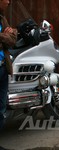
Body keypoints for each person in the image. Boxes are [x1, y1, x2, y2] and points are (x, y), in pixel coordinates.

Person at [0, 0, 17, 129]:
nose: (8, 2)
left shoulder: (2, 17)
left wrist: (5, 36)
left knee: (1, 107)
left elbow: (13, 39)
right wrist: (5, 36)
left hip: (3, 67)